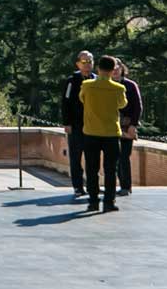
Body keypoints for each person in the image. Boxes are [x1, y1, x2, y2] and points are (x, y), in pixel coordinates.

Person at [79, 55, 127, 213]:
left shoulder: (87, 85)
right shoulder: (119, 88)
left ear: (98, 69)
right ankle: (109, 202)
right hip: (111, 133)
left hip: (91, 132)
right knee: (110, 170)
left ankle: (93, 201)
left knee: (92, 169)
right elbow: (122, 104)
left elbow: (82, 99)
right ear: (113, 70)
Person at [61, 50, 96, 197]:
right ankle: (78, 186)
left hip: (93, 126)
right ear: (78, 64)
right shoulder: (72, 81)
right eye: (84, 62)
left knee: (92, 158)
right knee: (76, 157)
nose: (87, 64)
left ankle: (93, 185)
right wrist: (67, 123)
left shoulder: (97, 80)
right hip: (76, 125)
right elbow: (65, 102)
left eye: (90, 61)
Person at [112, 59, 142, 196]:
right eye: (112, 68)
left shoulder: (130, 85)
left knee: (124, 156)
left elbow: (138, 107)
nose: (115, 70)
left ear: (121, 68)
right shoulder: (106, 86)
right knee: (114, 157)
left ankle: (126, 186)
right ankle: (116, 185)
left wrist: (133, 125)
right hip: (110, 125)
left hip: (126, 125)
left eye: (117, 67)